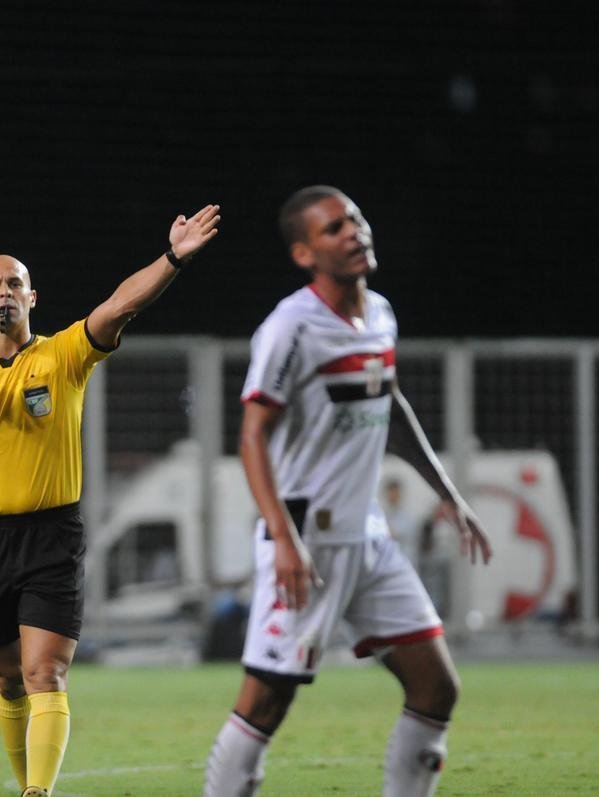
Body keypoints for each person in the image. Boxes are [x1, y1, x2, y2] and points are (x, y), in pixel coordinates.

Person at [0, 204, 221, 797]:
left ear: (32, 297)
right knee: (7, 679)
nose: (4, 292)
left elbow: (120, 305)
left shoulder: (63, 355)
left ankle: (38, 793)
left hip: (51, 536)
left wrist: (173, 257)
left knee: (44, 671)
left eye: (14, 283)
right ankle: (26, 781)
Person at [202, 186, 492, 797]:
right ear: (304, 253)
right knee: (266, 702)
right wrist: (283, 538)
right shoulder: (291, 326)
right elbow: (251, 436)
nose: (355, 231)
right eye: (334, 227)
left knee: (436, 687)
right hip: (307, 541)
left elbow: (389, 402)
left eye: (356, 219)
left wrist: (446, 491)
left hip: (369, 538)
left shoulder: (380, 313)